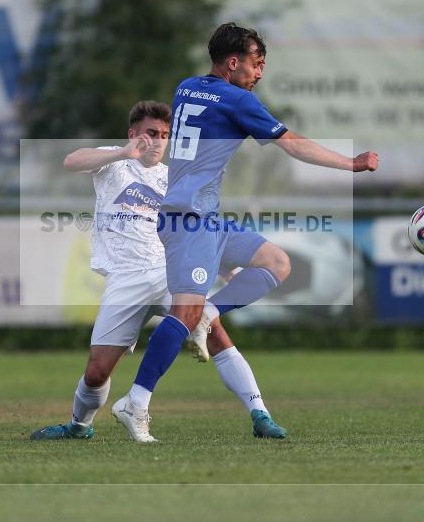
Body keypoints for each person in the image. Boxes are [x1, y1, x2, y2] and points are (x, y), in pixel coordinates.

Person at [112, 23, 378, 442]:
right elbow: (294, 145)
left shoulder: (187, 87)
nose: (260, 73)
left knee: (277, 262)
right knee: (183, 312)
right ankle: (135, 402)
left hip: (206, 217)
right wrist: (351, 164)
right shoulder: (237, 99)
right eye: (256, 63)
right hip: (188, 220)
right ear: (232, 62)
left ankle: (211, 315)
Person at [31, 100, 287, 441]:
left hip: (169, 271)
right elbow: (71, 161)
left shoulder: (175, 177)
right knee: (96, 372)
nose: (157, 141)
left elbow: (196, 230)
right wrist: (122, 153)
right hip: (125, 277)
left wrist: (224, 265)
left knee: (215, 333)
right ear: (133, 134)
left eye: (165, 135)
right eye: (151, 133)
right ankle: (79, 426)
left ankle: (260, 414)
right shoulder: (115, 162)